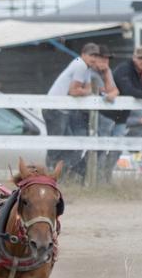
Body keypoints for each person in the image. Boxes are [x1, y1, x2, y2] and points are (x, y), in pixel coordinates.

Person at [43, 42, 100, 179]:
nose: (94, 58)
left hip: (60, 109)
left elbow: (87, 88)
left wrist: (87, 90)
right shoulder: (80, 65)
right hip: (55, 108)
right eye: (91, 55)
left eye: (96, 55)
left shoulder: (85, 67)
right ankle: (48, 176)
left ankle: (59, 176)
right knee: (57, 145)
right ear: (83, 55)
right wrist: (87, 91)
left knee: (69, 145)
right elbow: (74, 90)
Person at [90, 45, 121, 183]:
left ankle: (102, 178)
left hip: (103, 117)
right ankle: (96, 179)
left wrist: (108, 73)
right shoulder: (90, 72)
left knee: (105, 147)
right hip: (86, 117)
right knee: (94, 148)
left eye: (107, 59)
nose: (106, 62)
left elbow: (114, 91)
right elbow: (104, 91)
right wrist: (111, 92)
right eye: (103, 58)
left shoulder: (106, 72)